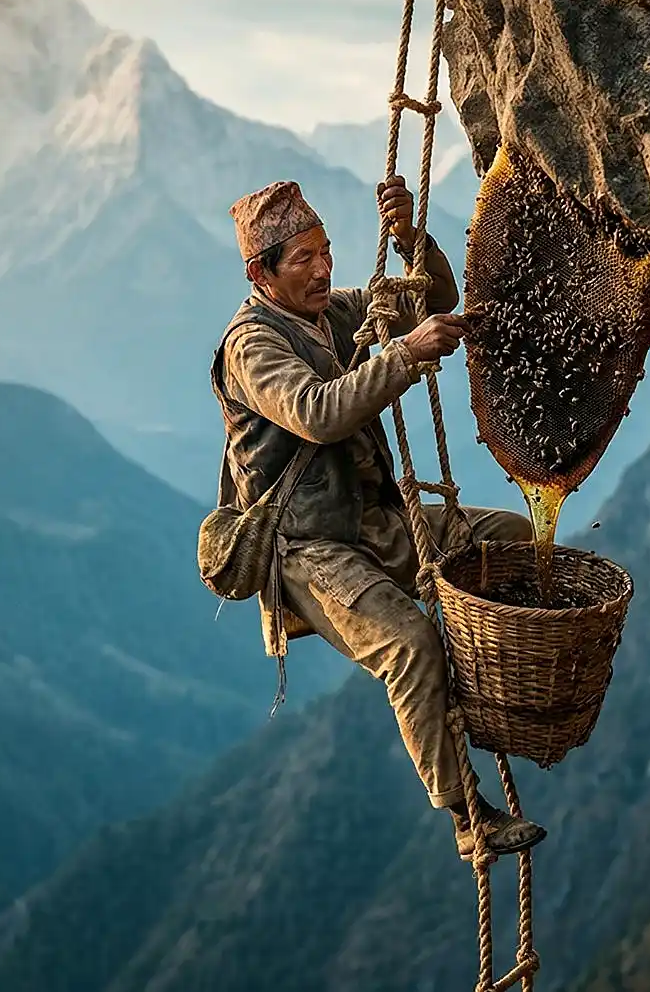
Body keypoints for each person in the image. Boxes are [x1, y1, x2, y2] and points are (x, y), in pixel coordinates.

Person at [210, 175, 547, 857]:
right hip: (310, 548)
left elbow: (436, 299)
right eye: (302, 259)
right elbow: (319, 415)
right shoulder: (251, 346)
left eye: (325, 251)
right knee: (409, 646)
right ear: (260, 272)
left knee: (509, 541)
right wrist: (405, 355)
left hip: (376, 520)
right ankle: (466, 815)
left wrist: (409, 240)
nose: (322, 268)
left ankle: (490, 690)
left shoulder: (331, 314)